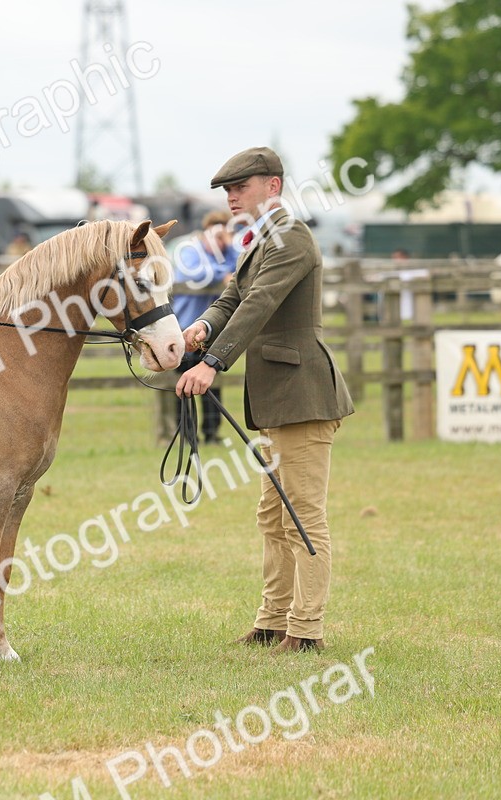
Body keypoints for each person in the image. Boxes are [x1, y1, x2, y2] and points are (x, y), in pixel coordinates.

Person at [176, 147, 354, 653]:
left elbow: (260, 303)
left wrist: (212, 363)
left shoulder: (290, 237)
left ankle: (306, 630)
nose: (231, 197)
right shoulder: (258, 241)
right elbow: (233, 297)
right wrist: (202, 329)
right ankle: (273, 619)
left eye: (241, 187)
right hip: (278, 396)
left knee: (303, 515)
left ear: (272, 186)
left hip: (303, 394)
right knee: (273, 516)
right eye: (228, 191)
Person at [170, 210, 238, 443]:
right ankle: (188, 434)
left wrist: (229, 251)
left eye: (223, 238)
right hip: (186, 327)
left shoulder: (227, 253)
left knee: (211, 382)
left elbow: (240, 269)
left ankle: (212, 432)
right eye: (216, 237)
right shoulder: (189, 251)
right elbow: (196, 275)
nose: (220, 243)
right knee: (184, 384)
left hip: (211, 332)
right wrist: (223, 274)